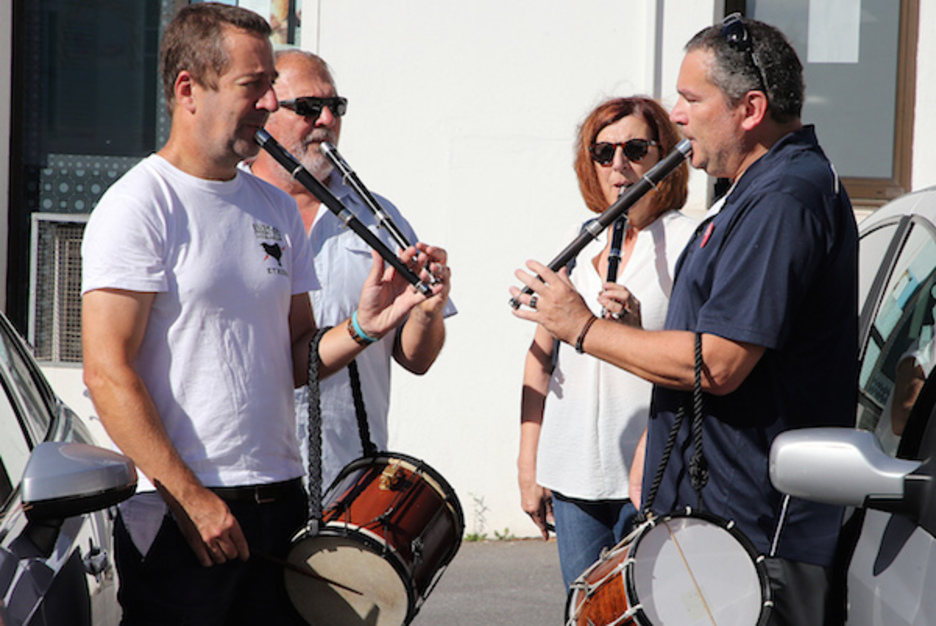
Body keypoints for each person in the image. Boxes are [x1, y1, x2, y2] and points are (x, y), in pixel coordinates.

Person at [80, 5, 441, 624]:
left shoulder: (271, 207)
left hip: (280, 499)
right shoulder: (139, 205)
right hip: (177, 509)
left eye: (272, 84)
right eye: (254, 86)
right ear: (189, 89)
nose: (271, 103)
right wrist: (191, 499)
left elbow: (294, 357)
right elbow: (107, 373)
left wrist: (364, 327)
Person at [511, 15, 857, 625]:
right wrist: (656, 443)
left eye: (691, 98)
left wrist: (583, 327)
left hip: (753, 541)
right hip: (717, 532)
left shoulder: (784, 199)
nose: (675, 114)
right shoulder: (754, 192)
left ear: (749, 109)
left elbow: (718, 363)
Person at [249, 50, 454, 486]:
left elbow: (417, 360)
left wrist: (426, 310)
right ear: (264, 112)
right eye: (308, 108)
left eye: (335, 107)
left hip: (350, 472)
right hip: (251, 473)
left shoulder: (379, 216)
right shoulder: (229, 206)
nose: (326, 119)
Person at [517, 96, 696, 590]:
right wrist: (528, 463)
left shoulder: (689, 241)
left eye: (635, 149)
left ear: (664, 156)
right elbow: (540, 361)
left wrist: (635, 333)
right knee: (585, 612)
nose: (619, 166)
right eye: (603, 153)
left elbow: (695, 359)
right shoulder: (582, 242)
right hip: (573, 472)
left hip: (650, 474)